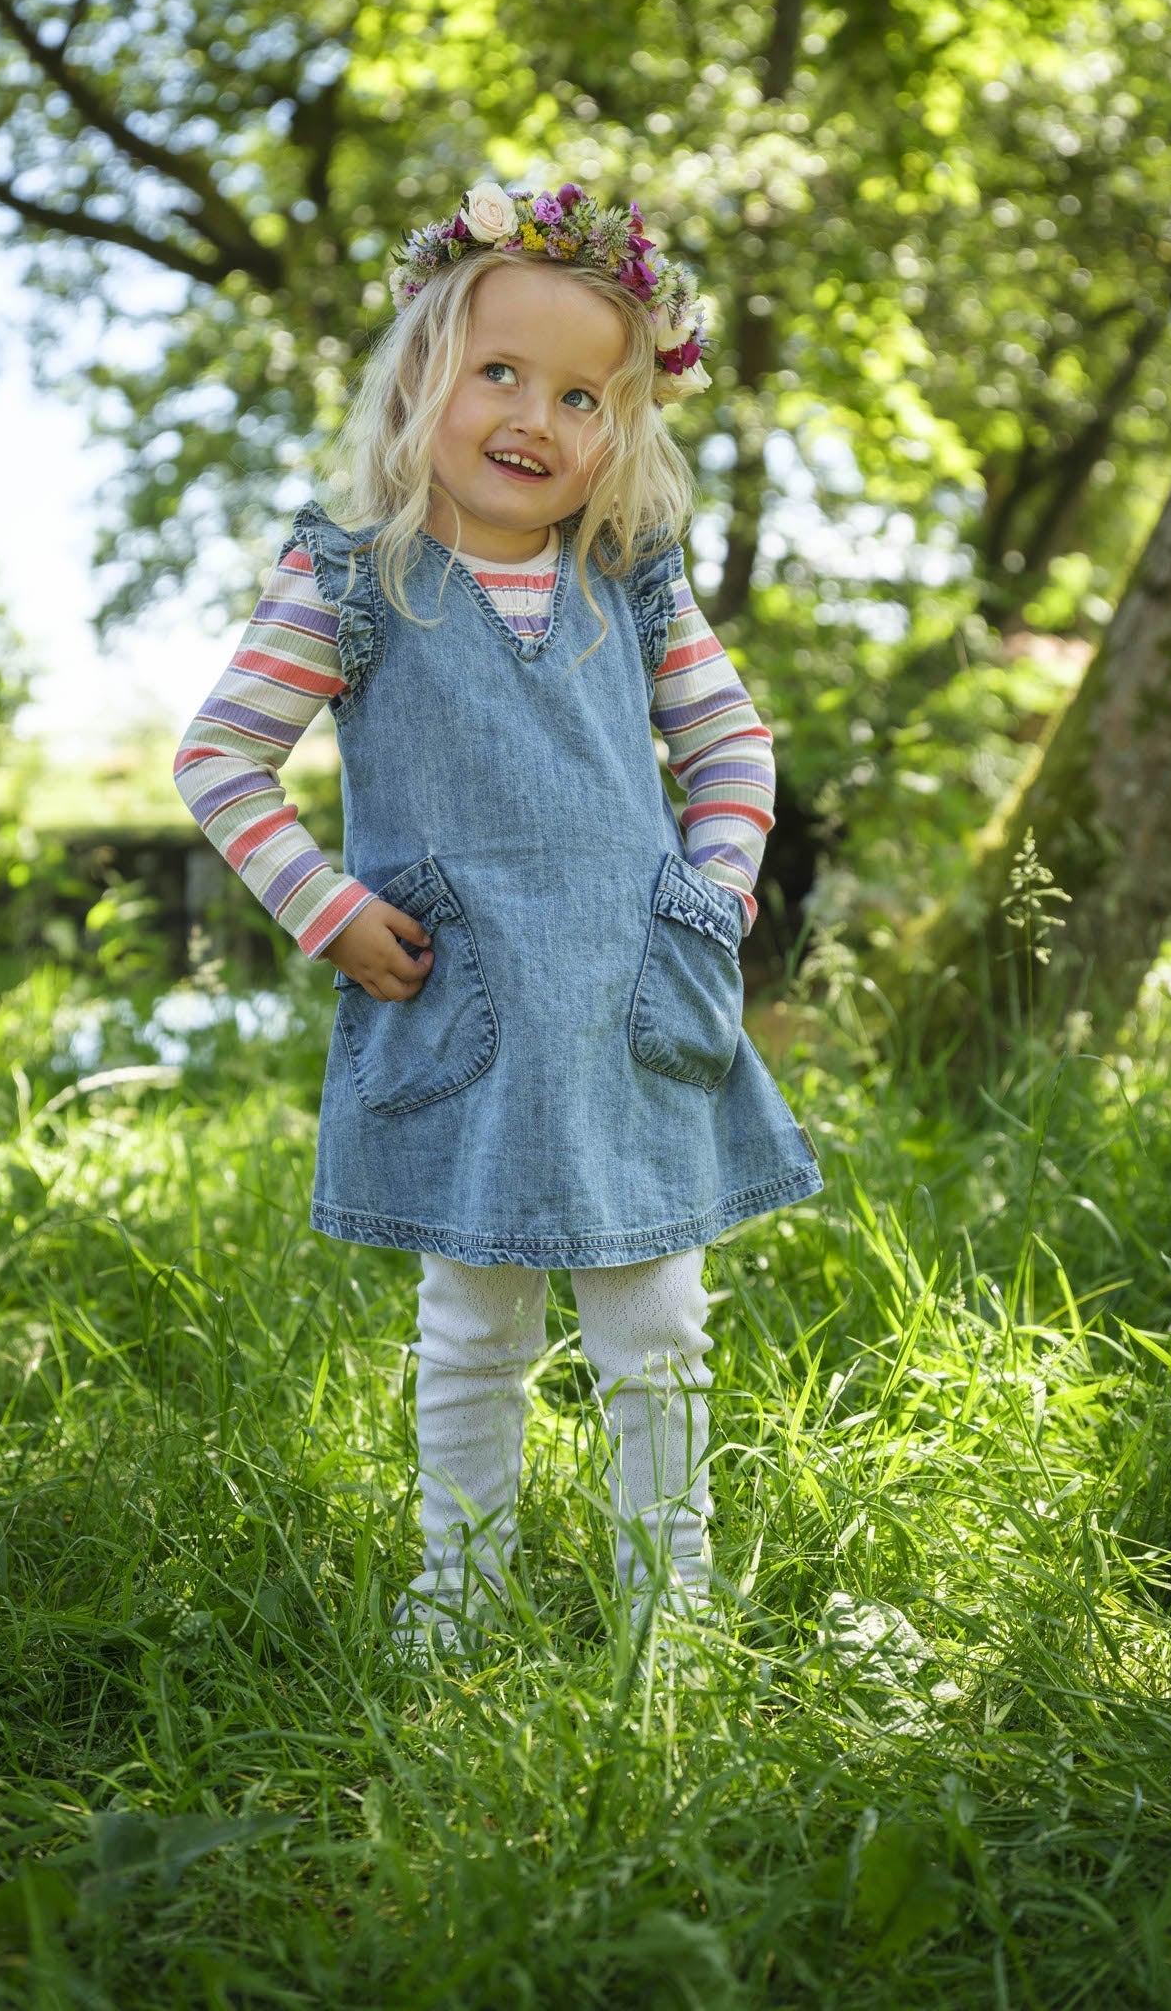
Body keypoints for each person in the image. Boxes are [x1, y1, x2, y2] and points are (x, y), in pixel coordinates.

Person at [173, 179, 825, 1665]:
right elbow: (222, 756)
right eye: (502, 374)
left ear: (623, 427)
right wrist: (324, 906)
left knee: (656, 1333)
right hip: (462, 1016)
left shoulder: (633, 584)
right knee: (476, 1333)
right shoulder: (350, 580)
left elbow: (734, 750)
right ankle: (454, 1596)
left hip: (629, 1015)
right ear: (423, 378)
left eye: (584, 394)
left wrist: (714, 887)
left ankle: (675, 1609)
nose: (539, 416)